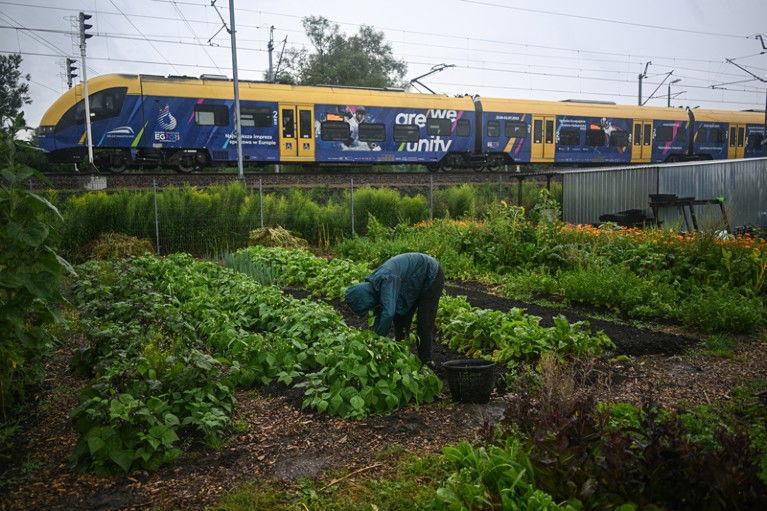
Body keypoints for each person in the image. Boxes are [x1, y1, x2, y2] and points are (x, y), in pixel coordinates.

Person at [344, 253, 444, 365]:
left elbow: (388, 313)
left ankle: (426, 362)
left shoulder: (387, 278)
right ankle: (402, 353)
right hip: (413, 279)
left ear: (364, 299)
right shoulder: (374, 288)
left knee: (424, 321)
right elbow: (380, 315)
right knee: (401, 317)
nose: (368, 310)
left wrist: (377, 341)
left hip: (430, 273)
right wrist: (371, 340)